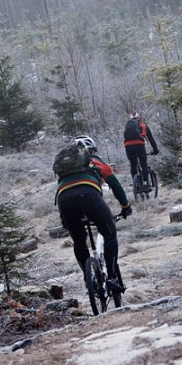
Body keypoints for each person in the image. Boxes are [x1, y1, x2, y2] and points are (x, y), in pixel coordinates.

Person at [54, 135, 131, 294]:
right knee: (109, 235)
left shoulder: (65, 169)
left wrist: (64, 221)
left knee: (79, 241)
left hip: (64, 200)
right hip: (89, 194)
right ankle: (111, 277)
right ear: (92, 151)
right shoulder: (98, 162)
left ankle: (88, 279)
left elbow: (65, 190)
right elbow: (115, 186)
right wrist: (125, 206)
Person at [123, 111, 159, 188]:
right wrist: (155, 150)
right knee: (143, 165)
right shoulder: (144, 126)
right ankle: (146, 183)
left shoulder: (127, 127)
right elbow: (151, 140)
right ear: (139, 118)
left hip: (128, 146)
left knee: (133, 165)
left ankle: (136, 185)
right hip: (139, 145)